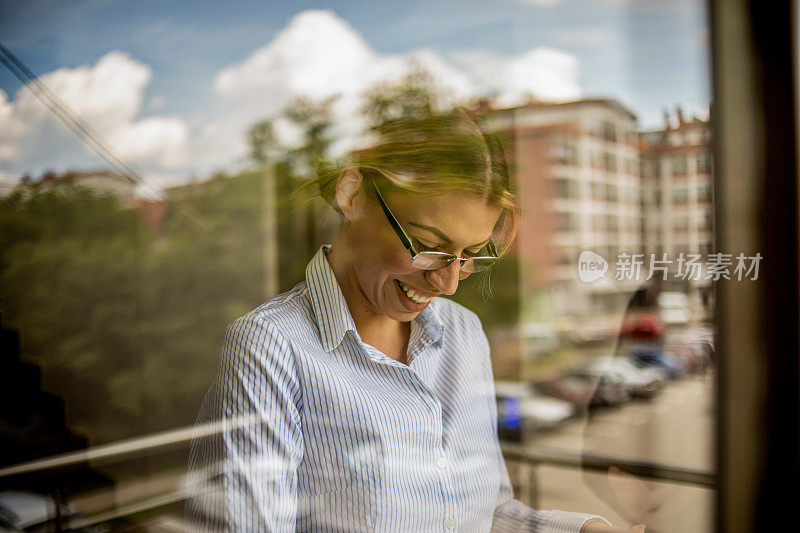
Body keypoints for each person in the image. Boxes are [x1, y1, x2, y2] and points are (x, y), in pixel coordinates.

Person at [184, 112, 644, 532]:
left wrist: (582, 529)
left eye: (467, 257)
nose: (447, 282)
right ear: (353, 194)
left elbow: (482, 514)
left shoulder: (463, 332)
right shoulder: (270, 347)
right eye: (428, 245)